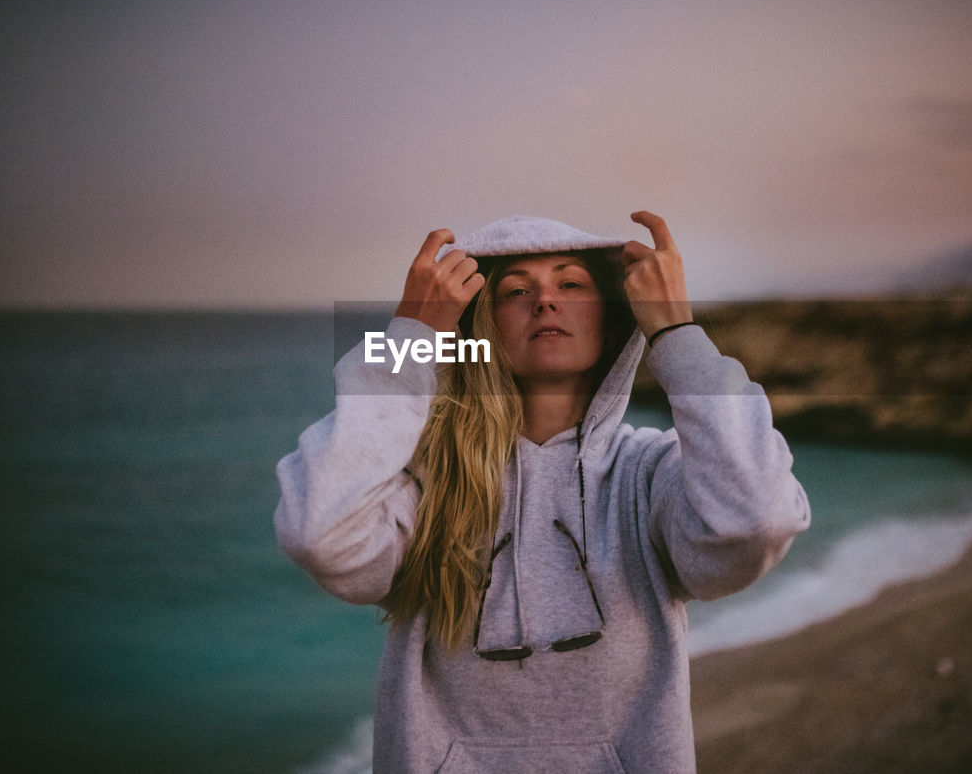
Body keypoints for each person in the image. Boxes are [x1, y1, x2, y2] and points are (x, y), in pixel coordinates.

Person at [276, 212, 810, 773]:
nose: (546, 302)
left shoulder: (650, 472)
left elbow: (758, 520)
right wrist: (410, 337)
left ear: (610, 327)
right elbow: (318, 532)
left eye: (571, 284)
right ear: (482, 335)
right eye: (516, 291)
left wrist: (678, 336)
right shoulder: (425, 483)